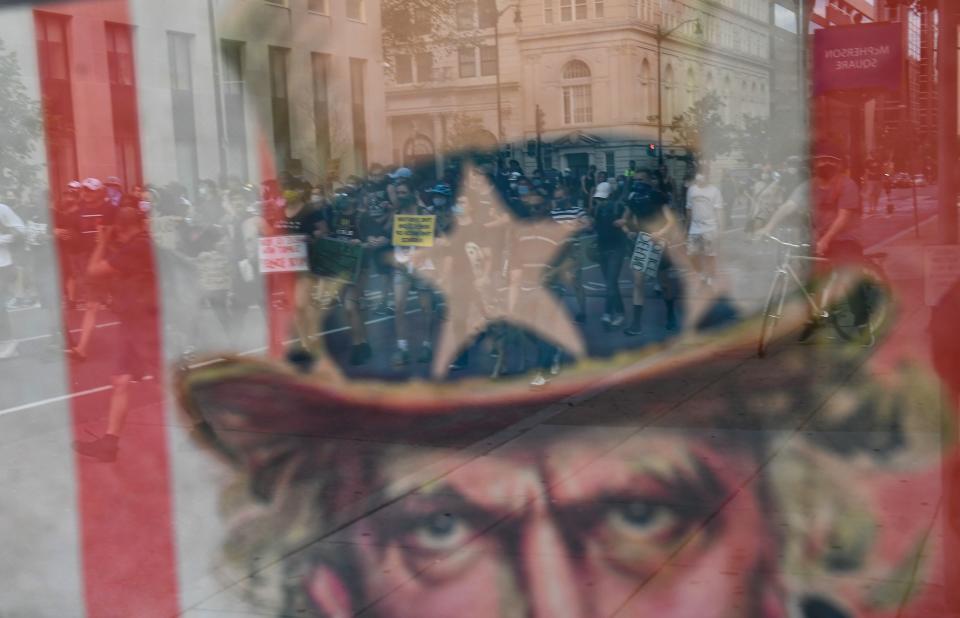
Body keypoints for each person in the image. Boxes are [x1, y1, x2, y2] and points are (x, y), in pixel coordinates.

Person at [757, 147, 870, 344]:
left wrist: (825, 240)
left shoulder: (847, 185)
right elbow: (789, 206)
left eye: (830, 161)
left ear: (839, 165)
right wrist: (767, 227)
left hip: (846, 240)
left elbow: (843, 217)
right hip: (819, 240)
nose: (824, 164)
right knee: (808, 280)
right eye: (820, 160)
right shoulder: (808, 187)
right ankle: (813, 319)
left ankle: (862, 325)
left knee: (850, 280)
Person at [73, 206, 157, 461]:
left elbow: (93, 271)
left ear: (119, 229)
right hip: (134, 322)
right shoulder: (139, 244)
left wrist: (101, 241)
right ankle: (110, 444)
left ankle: (207, 428)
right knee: (120, 381)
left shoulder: (137, 246)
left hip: (146, 323)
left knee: (166, 378)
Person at [617, 170, 680, 336]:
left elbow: (671, 221)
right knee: (638, 283)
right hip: (642, 241)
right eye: (636, 179)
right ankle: (636, 324)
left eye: (642, 179)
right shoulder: (632, 198)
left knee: (664, 283)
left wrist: (660, 233)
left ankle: (671, 315)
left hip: (659, 242)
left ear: (650, 180)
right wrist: (626, 230)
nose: (638, 182)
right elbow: (625, 219)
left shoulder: (659, 196)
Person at [391, 180, 437, 366]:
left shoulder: (424, 212)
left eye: (403, 192)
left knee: (426, 308)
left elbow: (434, 240)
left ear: (412, 193)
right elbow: (391, 235)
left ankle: (427, 345)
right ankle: (402, 348)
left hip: (423, 266)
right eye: (398, 193)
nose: (400, 196)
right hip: (402, 266)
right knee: (399, 306)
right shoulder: (396, 212)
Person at [593, 177, 628, 329]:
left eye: (602, 198)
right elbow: (595, 227)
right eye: (598, 198)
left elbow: (630, 211)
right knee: (610, 284)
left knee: (611, 283)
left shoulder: (619, 206)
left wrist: (625, 220)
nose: (600, 201)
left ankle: (607, 314)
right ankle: (620, 312)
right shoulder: (597, 209)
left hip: (617, 249)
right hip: (602, 248)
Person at [685, 171, 724, 287]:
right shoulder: (691, 190)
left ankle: (709, 277)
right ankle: (701, 273)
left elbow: (719, 210)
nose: (701, 178)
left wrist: (721, 228)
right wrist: (687, 226)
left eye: (704, 176)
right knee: (691, 254)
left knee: (710, 254)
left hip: (710, 227)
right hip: (694, 228)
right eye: (699, 176)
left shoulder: (714, 191)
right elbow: (689, 208)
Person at [0, 199, 25, 359]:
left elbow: (21, 229)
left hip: (2, 264)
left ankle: (10, 342)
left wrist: (3, 239)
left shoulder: (2, 208)